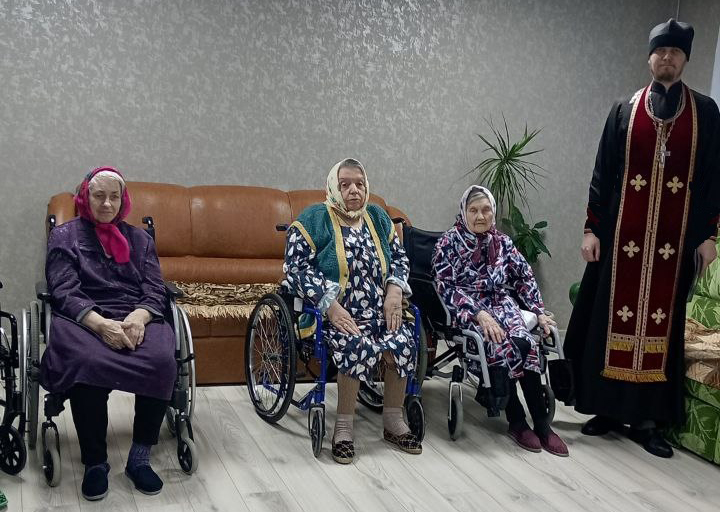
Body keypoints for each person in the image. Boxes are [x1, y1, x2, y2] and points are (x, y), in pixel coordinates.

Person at [564, 19, 720, 458]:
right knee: (608, 321)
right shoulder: (624, 110)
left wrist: (707, 235)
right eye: (661, 51)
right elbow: (602, 173)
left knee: (662, 330)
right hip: (621, 243)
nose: (667, 58)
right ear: (649, 57)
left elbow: (712, 179)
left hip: (674, 246)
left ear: (685, 59)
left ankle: (649, 422)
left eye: (675, 52)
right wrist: (591, 228)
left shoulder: (705, 113)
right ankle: (608, 410)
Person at [40, 167, 177, 499]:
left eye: (114, 197)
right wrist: (100, 325)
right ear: (84, 198)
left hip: (134, 313)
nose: (107, 204)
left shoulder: (140, 240)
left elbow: (155, 288)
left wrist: (140, 317)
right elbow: (63, 290)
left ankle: (139, 459)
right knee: (86, 360)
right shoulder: (64, 237)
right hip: (83, 317)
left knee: (161, 359)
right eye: (99, 196)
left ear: (123, 200)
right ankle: (95, 462)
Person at [283, 158, 422, 464]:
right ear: (333, 187)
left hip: (380, 311)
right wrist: (330, 306)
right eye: (345, 184)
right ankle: (344, 427)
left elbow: (399, 258)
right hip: (335, 314)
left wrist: (394, 291)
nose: (354, 190)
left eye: (359, 184)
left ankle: (393, 420)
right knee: (354, 344)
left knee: (403, 342)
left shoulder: (378, 217)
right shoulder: (314, 218)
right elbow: (295, 268)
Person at [432, 185, 569, 456]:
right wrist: (479, 314)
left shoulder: (503, 242)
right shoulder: (447, 243)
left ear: (493, 213)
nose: (480, 216)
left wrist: (538, 310)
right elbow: (445, 286)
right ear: (463, 212)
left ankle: (541, 423)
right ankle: (516, 420)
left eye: (486, 210)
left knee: (526, 344)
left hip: (501, 303)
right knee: (497, 345)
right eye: (473, 210)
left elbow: (524, 277)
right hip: (469, 308)